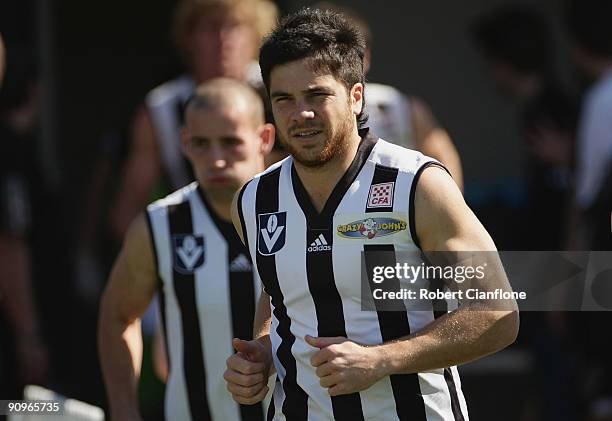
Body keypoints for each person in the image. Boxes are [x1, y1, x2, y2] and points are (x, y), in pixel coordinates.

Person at [225, 9, 519, 420]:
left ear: (356, 96)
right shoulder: (254, 201)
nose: (300, 113)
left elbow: (497, 315)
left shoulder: (418, 185)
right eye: (284, 100)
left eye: (316, 95)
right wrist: (261, 353)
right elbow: (280, 292)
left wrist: (383, 359)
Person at [98, 78, 275, 421]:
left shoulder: (302, 209)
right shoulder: (161, 224)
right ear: (183, 143)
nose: (217, 159)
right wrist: (124, 410)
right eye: (201, 144)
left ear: (264, 139)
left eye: (230, 143)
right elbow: (117, 315)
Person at [108, 0, 279, 245]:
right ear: (189, 38)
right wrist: (170, 263)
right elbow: (127, 212)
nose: (223, 40)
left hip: (272, 241)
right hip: (194, 247)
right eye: (211, 28)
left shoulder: (280, 94)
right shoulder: (161, 110)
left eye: (235, 26)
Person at [315, 2, 463, 190]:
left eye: (345, 53)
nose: (335, 64)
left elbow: (443, 158)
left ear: (366, 56)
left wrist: (443, 211)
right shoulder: (292, 111)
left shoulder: (400, 105)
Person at [0, 40, 49, 398]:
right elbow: (10, 243)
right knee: (17, 407)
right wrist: (28, 335)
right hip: (11, 331)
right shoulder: (9, 149)